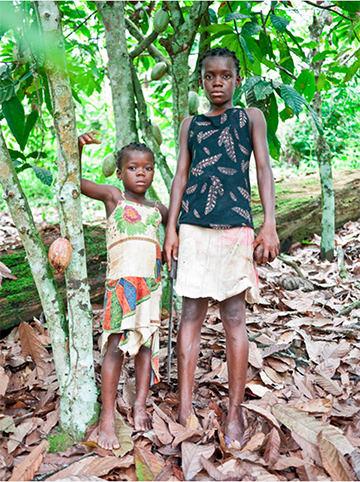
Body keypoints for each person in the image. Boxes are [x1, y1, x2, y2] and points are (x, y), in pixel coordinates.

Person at [163, 47, 279, 446]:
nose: (217, 83)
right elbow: (181, 176)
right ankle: (183, 406)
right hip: (193, 227)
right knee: (190, 314)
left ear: (237, 79)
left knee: (233, 317)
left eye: (224, 76)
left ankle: (235, 411)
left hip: (235, 228)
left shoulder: (251, 118)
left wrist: (269, 223)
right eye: (210, 76)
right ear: (201, 81)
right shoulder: (189, 124)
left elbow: (263, 167)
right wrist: (171, 230)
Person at [79, 132, 168, 450]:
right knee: (115, 348)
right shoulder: (114, 198)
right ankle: (106, 416)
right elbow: (76, 183)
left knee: (145, 347)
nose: (141, 173)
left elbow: (175, 236)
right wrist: (75, 149)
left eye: (147, 168)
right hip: (121, 287)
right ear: (119, 173)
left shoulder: (159, 209)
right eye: (133, 167)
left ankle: (140, 404)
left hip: (150, 289)